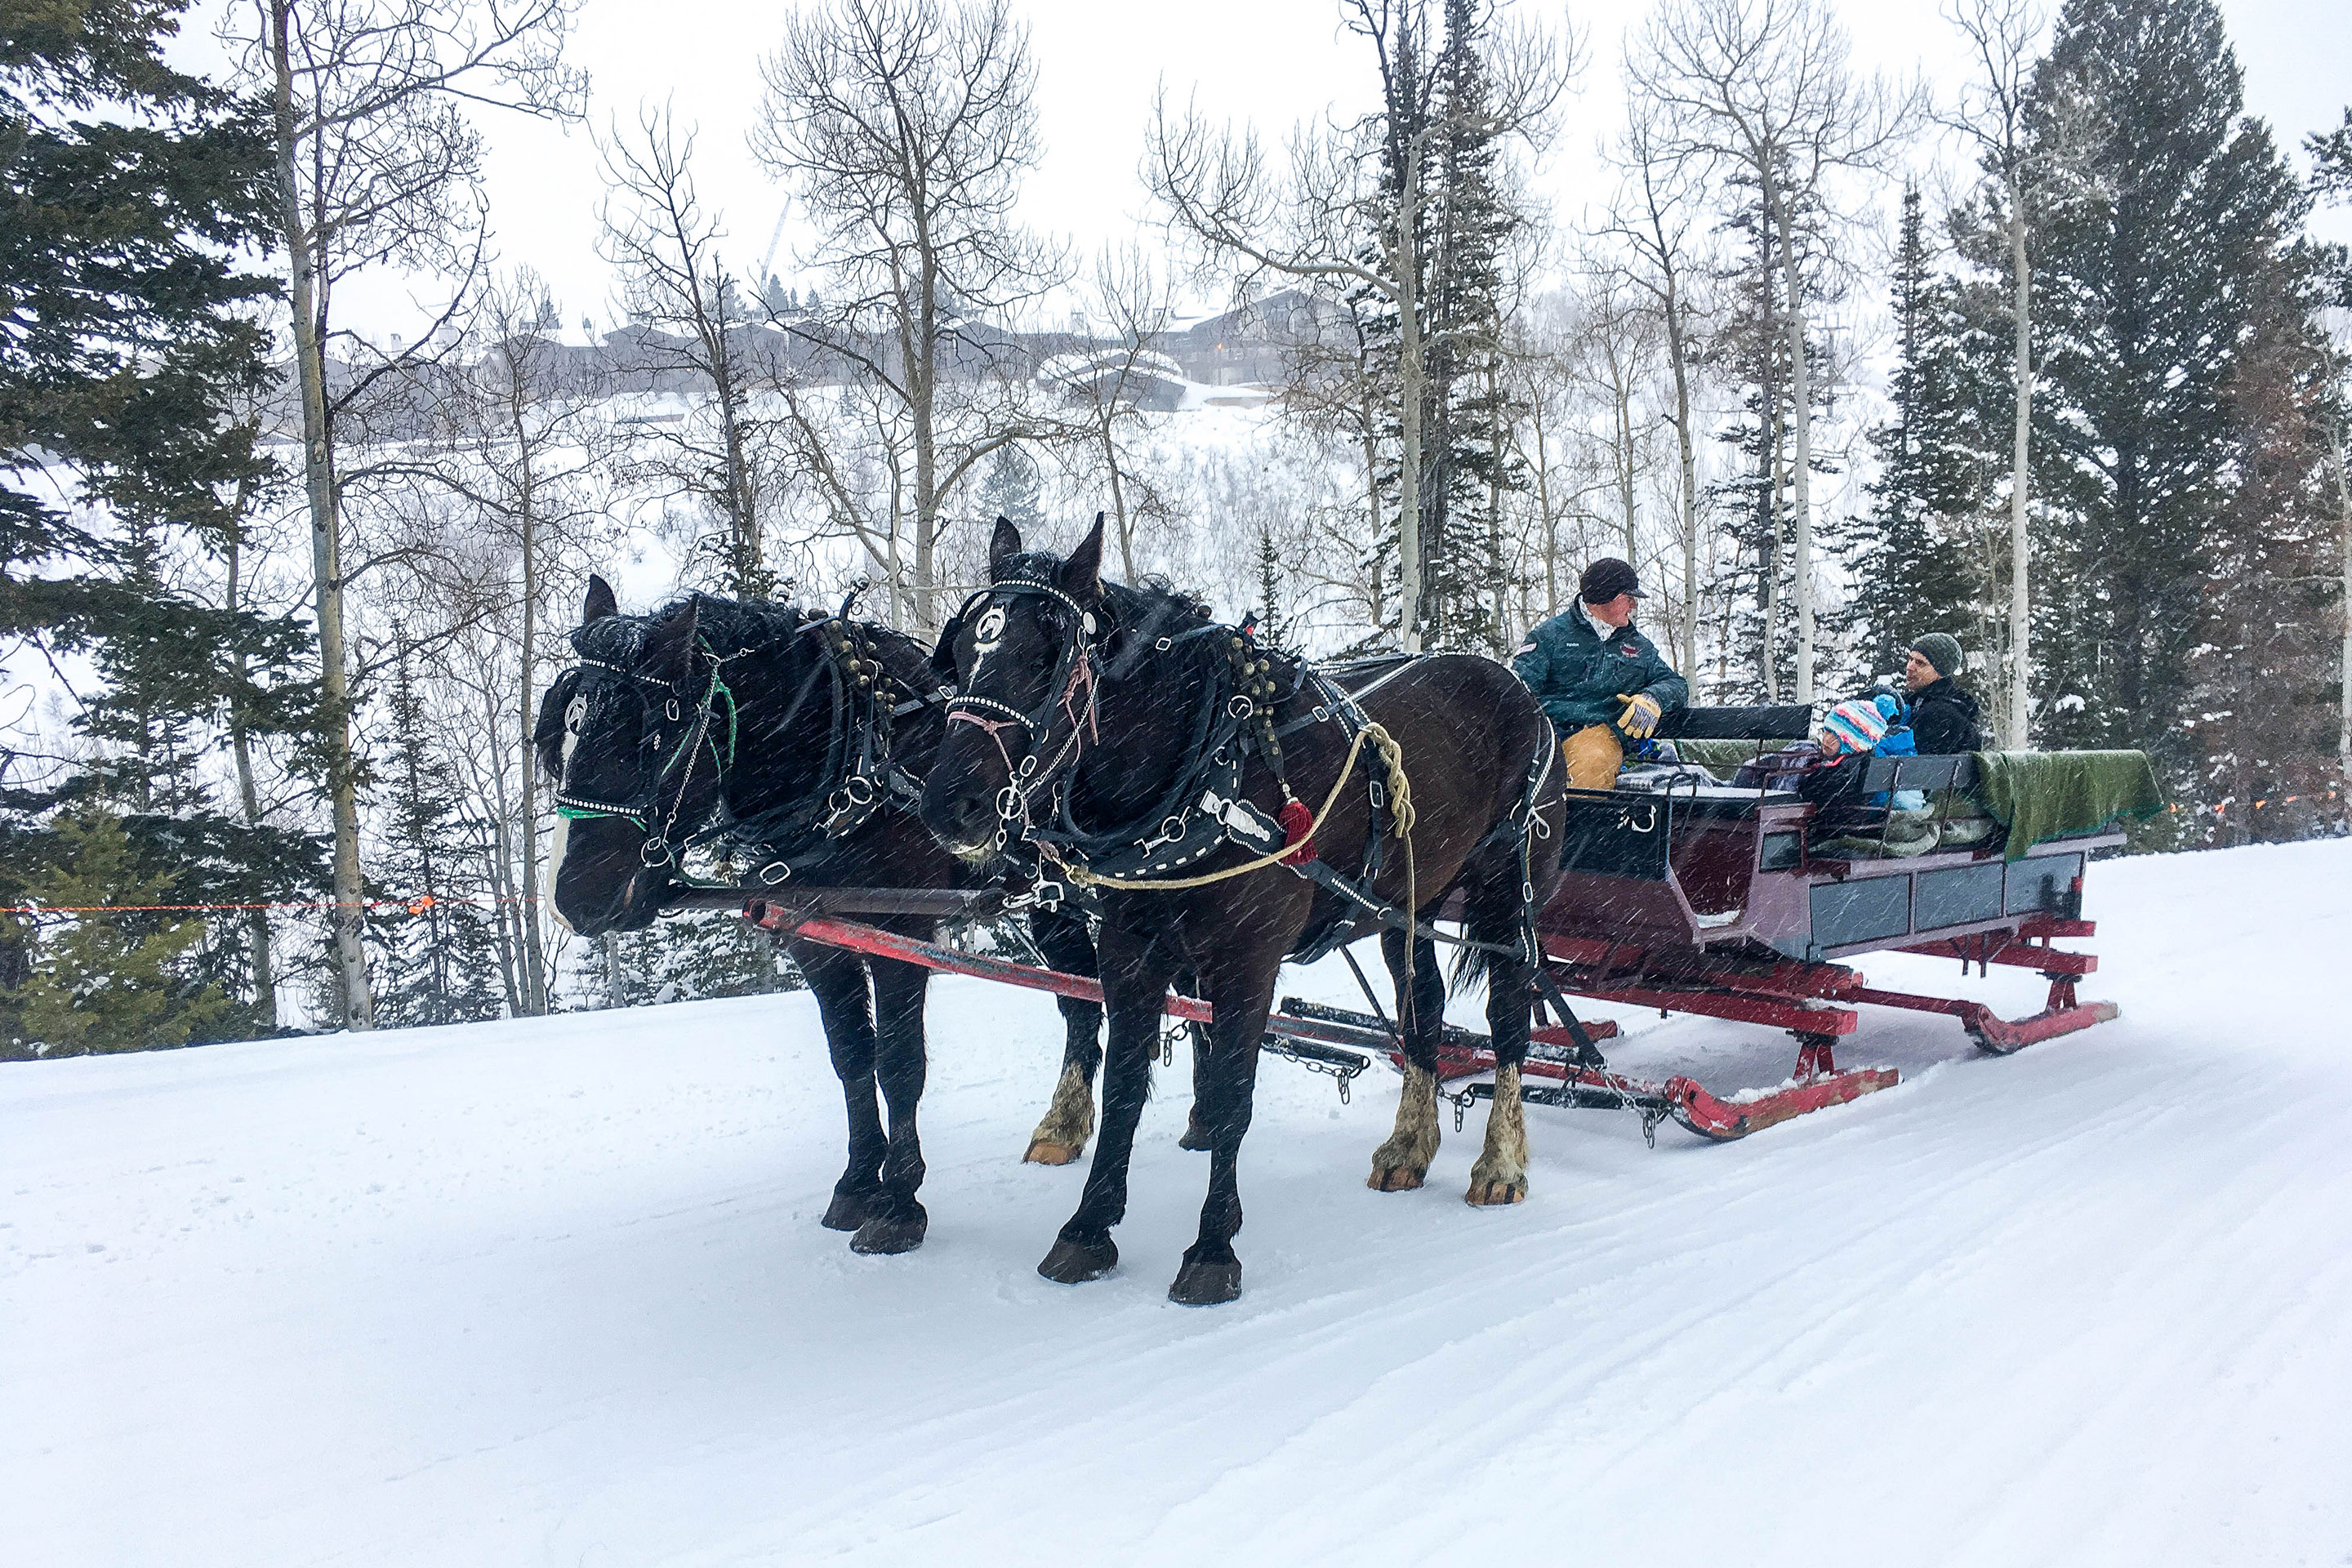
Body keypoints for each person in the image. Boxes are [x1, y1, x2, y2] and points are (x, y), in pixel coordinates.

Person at [1512, 558, 1689, 790]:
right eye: (1628, 598)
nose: (1633, 606)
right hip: (1544, 737)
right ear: (1606, 596)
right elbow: (1518, 690)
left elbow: (1677, 684)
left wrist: (1653, 697)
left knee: (1591, 762)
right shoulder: (1549, 637)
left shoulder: (1637, 647)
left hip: (1602, 739)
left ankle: (1578, 824)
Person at [1901, 633, 1984, 755]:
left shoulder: (1940, 714)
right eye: (1910, 659)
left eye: (1920, 663)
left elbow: (1912, 763)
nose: (1910, 667)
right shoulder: (1915, 702)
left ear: (1939, 673)